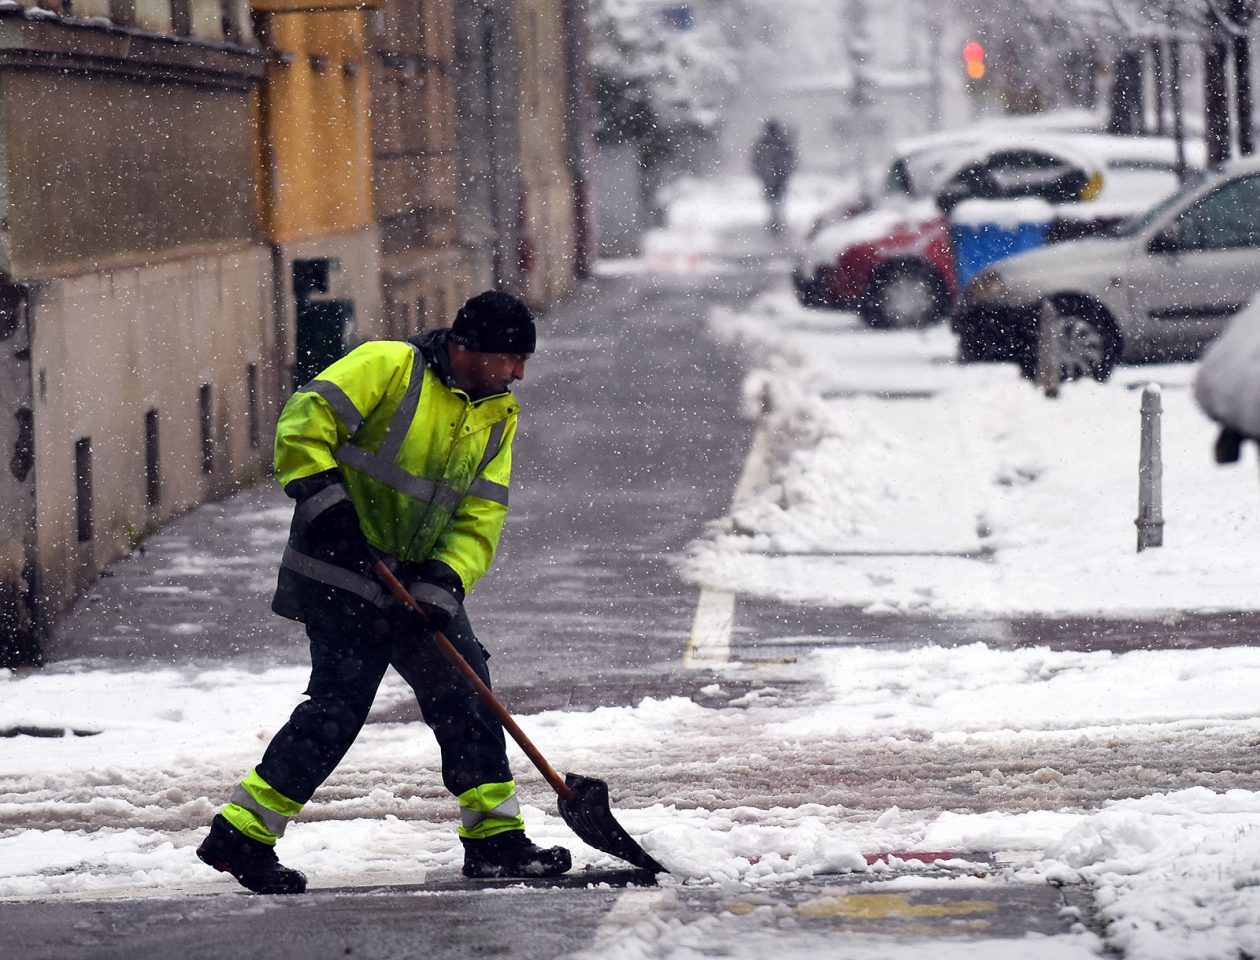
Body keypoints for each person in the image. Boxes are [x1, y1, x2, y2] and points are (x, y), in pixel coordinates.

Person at [195, 290, 571, 894]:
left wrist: (444, 583)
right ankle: (242, 835)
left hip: (415, 580)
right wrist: (329, 506)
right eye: (511, 358)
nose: (519, 374)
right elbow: (303, 422)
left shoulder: (496, 410)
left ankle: (495, 842)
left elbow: (481, 511)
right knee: (337, 709)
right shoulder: (389, 366)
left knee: (467, 694)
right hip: (340, 571)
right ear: (469, 346)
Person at [750, 119, 798, 234]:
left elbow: (756, 160)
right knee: (778, 199)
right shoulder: (782, 142)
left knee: (772, 199)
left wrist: (761, 172)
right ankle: (776, 219)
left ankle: (775, 219)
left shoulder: (763, 143)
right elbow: (790, 158)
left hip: (770, 176)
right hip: (779, 176)